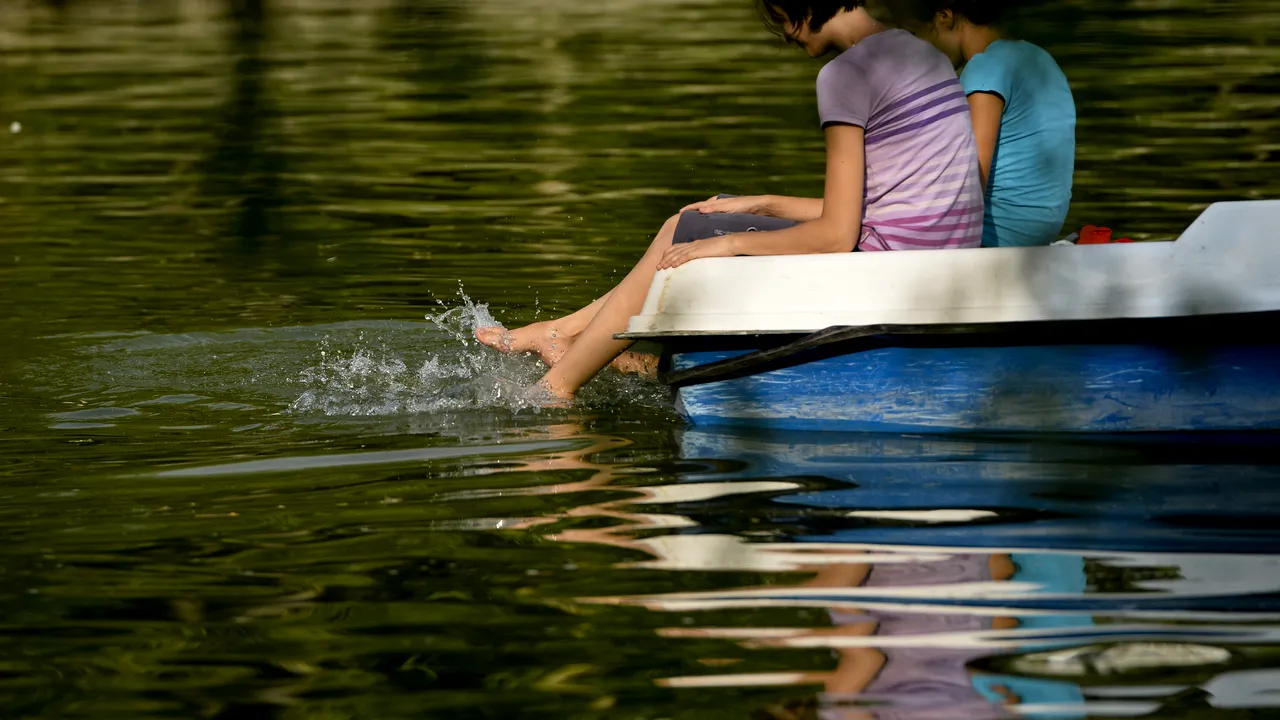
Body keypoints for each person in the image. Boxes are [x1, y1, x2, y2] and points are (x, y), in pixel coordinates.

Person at [477, 0, 984, 402]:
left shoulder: (847, 74)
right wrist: (764, 205)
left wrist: (731, 243)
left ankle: (557, 386)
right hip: (937, 257)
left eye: (780, 18)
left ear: (799, 8)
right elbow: (896, 204)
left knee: (688, 233)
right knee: (698, 217)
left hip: (890, 268)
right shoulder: (923, 54)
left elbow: (836, 235)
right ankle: (561, 336)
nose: (785, 34)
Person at [887, 0, 1076, 247]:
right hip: (1037, 236)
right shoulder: (1040, 58)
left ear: (944, 17)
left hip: (993, 241)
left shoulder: (984, 67)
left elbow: (969, 182)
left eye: (914, 34)